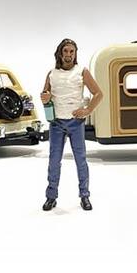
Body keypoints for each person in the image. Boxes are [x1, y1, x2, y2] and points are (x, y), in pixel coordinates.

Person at [40, 38, 103, 211]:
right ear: (60, 53)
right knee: (54, 160)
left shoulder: (82, 71)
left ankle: (85, 195)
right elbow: (45, 95)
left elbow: (98, 93)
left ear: (75, 54)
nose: (68, 54)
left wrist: (87, 110)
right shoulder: (52, 73)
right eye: (65, 51)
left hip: (76, 122)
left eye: (71, 51)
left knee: (80, 160)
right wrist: (45, 97)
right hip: (57, 123)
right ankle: (51, 196)